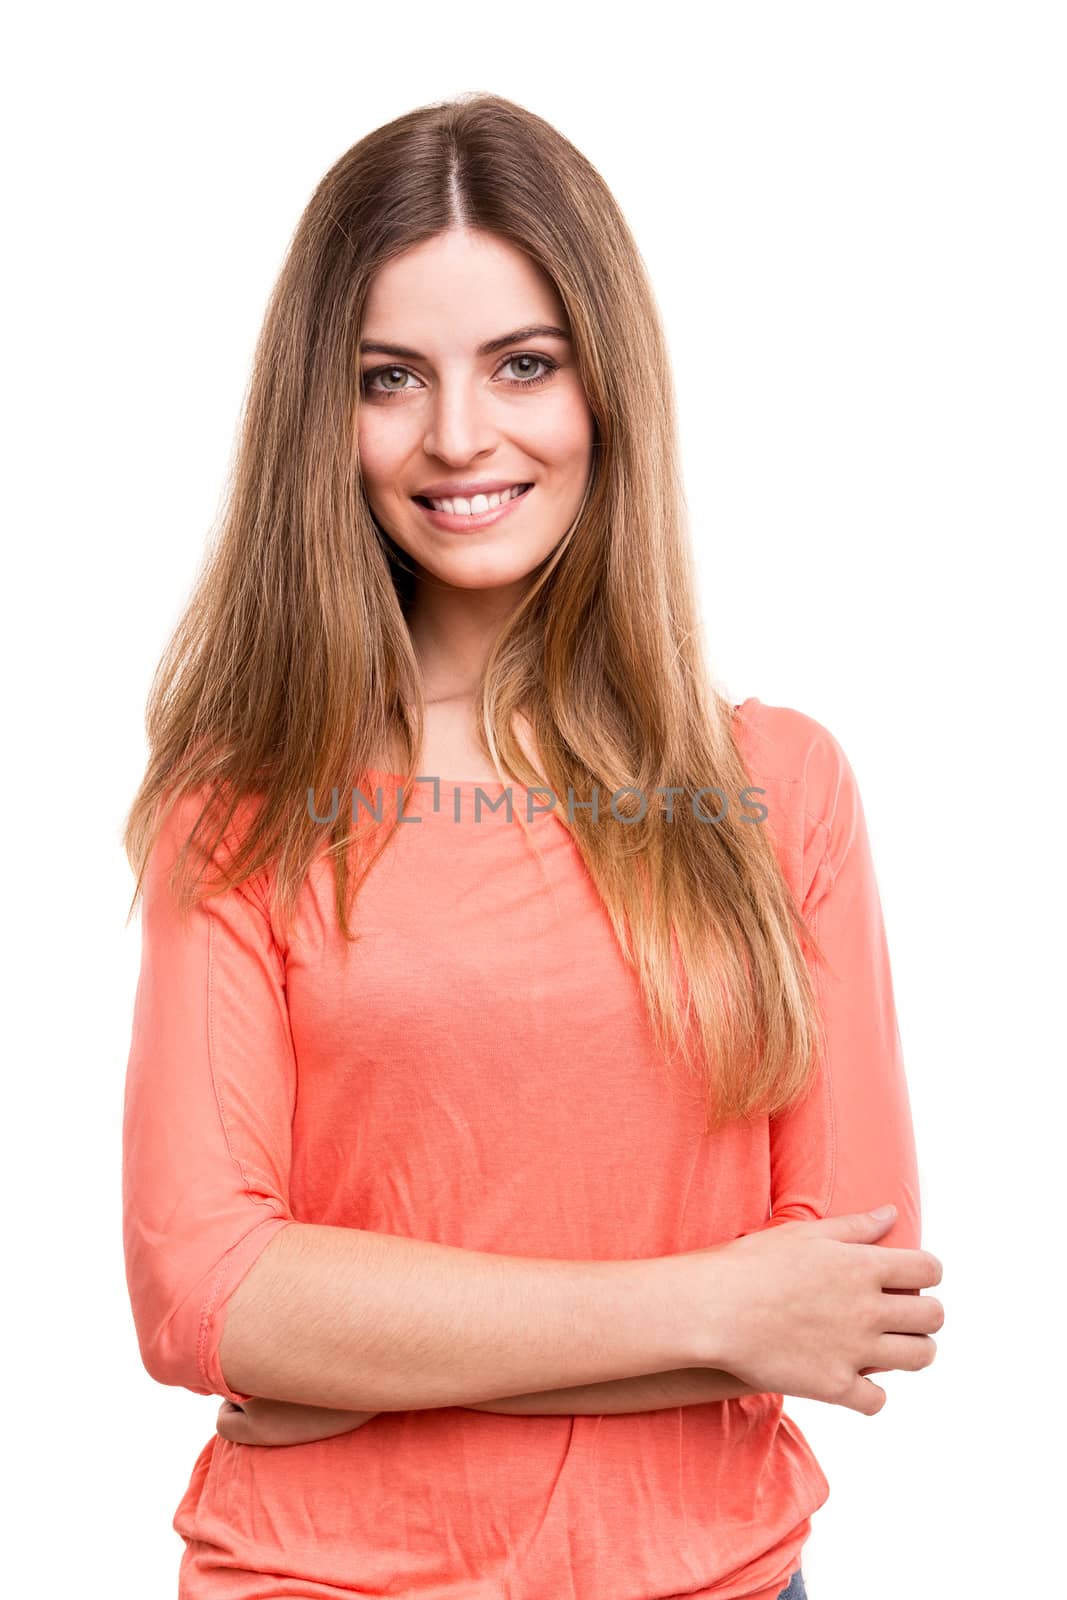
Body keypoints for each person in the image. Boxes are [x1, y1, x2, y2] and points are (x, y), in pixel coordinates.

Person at [121, 91, 943, 1600]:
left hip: (715, 1579)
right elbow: (203, 1296)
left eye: (522, 364)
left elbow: (843, 1303)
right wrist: (712, 1314)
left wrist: (364, 1364)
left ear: (602, 384)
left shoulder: (781, 788)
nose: (456, 436)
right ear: (326, 411)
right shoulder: (240, 807)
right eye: (388, 378)